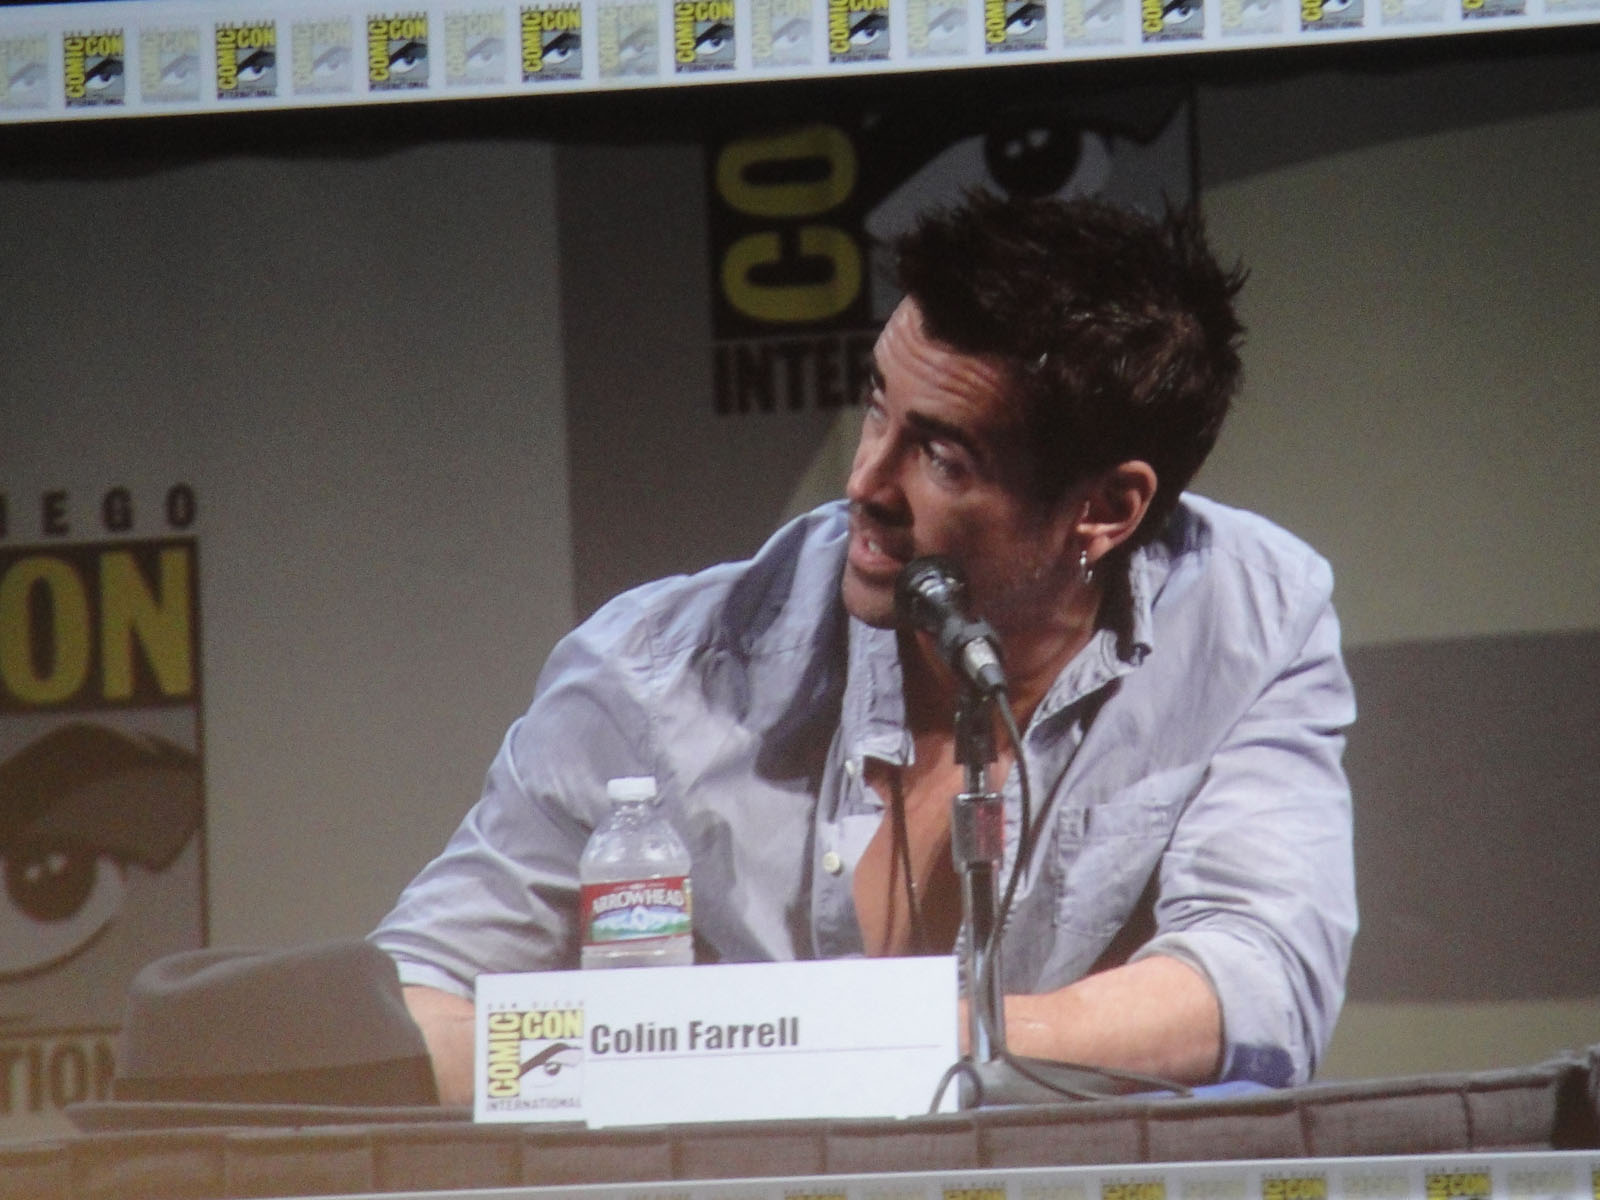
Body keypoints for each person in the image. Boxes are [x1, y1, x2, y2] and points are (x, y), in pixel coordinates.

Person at [371, 191, 1357, 1107]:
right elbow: (412, 1000)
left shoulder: (1249, 618)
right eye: (876, 402)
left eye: (942, 456)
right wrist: (683, 1063)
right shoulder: (650, 674)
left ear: (1103, 509)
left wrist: (876, 1044)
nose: (864, 480)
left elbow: (1259, 977)